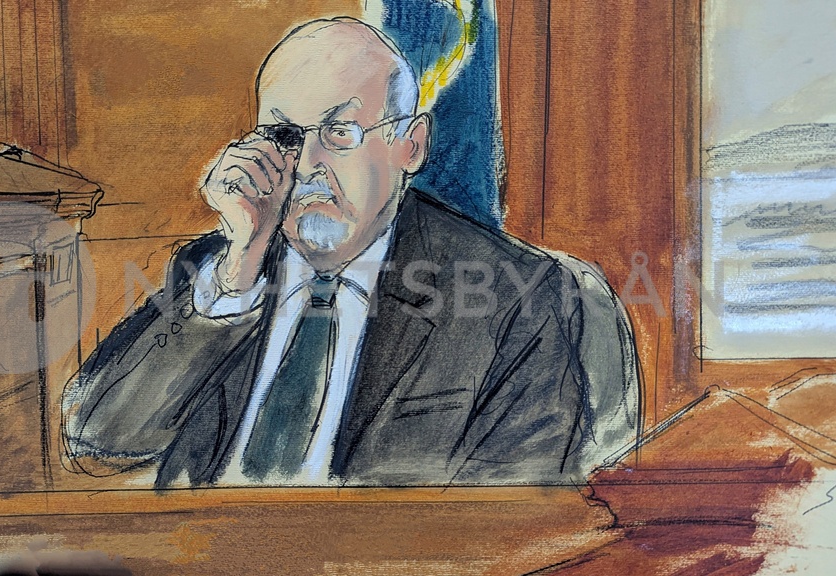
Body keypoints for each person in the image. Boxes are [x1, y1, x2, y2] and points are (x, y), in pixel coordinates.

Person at [62, 17, 639, 488]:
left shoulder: (515, 295)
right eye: (286, 136)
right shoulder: (218, 270)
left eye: (340, 132)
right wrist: (236, 279)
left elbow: (516, 512)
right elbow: (99, 439)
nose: (307, 166)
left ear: (410, 145)